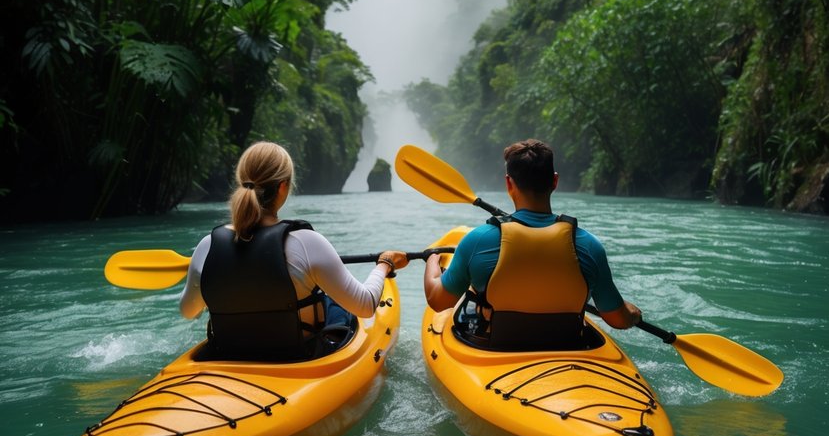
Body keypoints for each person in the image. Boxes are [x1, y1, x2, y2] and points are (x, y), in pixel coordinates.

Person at [180, 140, 408, 360]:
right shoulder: (307, 243)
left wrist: (204, 283)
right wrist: (384, 264)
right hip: (298, 357)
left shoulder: (207, 247)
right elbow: (366, 305)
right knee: (334, 303)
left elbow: (189, 312)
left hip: (227, 354)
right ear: (283, 187)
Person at [423, 138, 641, 350]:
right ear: (554, 181)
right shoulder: (588, 245)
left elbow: (438, 301)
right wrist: (633, 313)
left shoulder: (478, 240)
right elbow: (617, 319)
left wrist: (432, 259)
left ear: (509, 183)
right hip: (569, 348)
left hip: (493, 349)